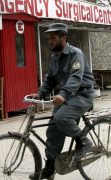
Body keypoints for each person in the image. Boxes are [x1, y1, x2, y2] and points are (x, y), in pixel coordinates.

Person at [29, 23, 95, 179]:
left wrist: (63, 94)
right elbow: (50, 79)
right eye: (49, 38)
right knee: (52, 131)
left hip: (82, 96)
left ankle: (84, 141)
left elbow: (75, 78)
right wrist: (39, 94)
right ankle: (50, 168)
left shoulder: (75, 54)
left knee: (61, 118)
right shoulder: (54, 57)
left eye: (53, 38)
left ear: (63, 37)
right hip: (67, 98)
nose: (49, 41)